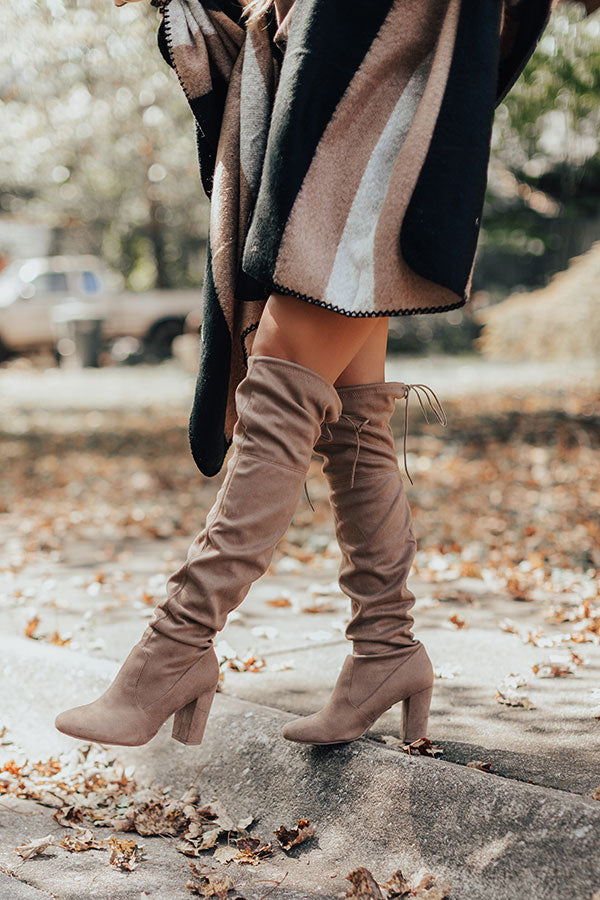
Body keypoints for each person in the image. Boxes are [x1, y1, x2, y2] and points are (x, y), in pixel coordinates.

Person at [55, 0, 598, 748]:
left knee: (280, 389)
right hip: (347, 80)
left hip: (381, 76)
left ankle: (172, 652)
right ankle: (386, 649)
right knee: (354, 413)